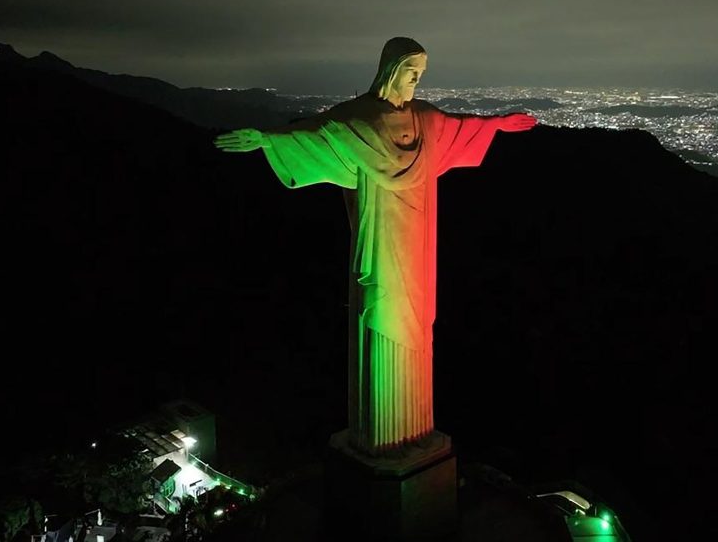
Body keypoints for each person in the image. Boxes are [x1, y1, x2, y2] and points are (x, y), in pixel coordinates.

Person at [214, 37, 535, 454]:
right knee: (382, 315)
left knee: (417, 325)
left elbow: (460, 126)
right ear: (390, 69)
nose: (417, 79)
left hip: (418, 243)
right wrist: (267, 139)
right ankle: (381, 438)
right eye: (411, 71)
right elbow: (315, 133)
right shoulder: (359, 119)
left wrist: (496, 124)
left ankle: (414, 433)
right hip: (382, 240)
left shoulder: (424, 118)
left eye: (421, 73)